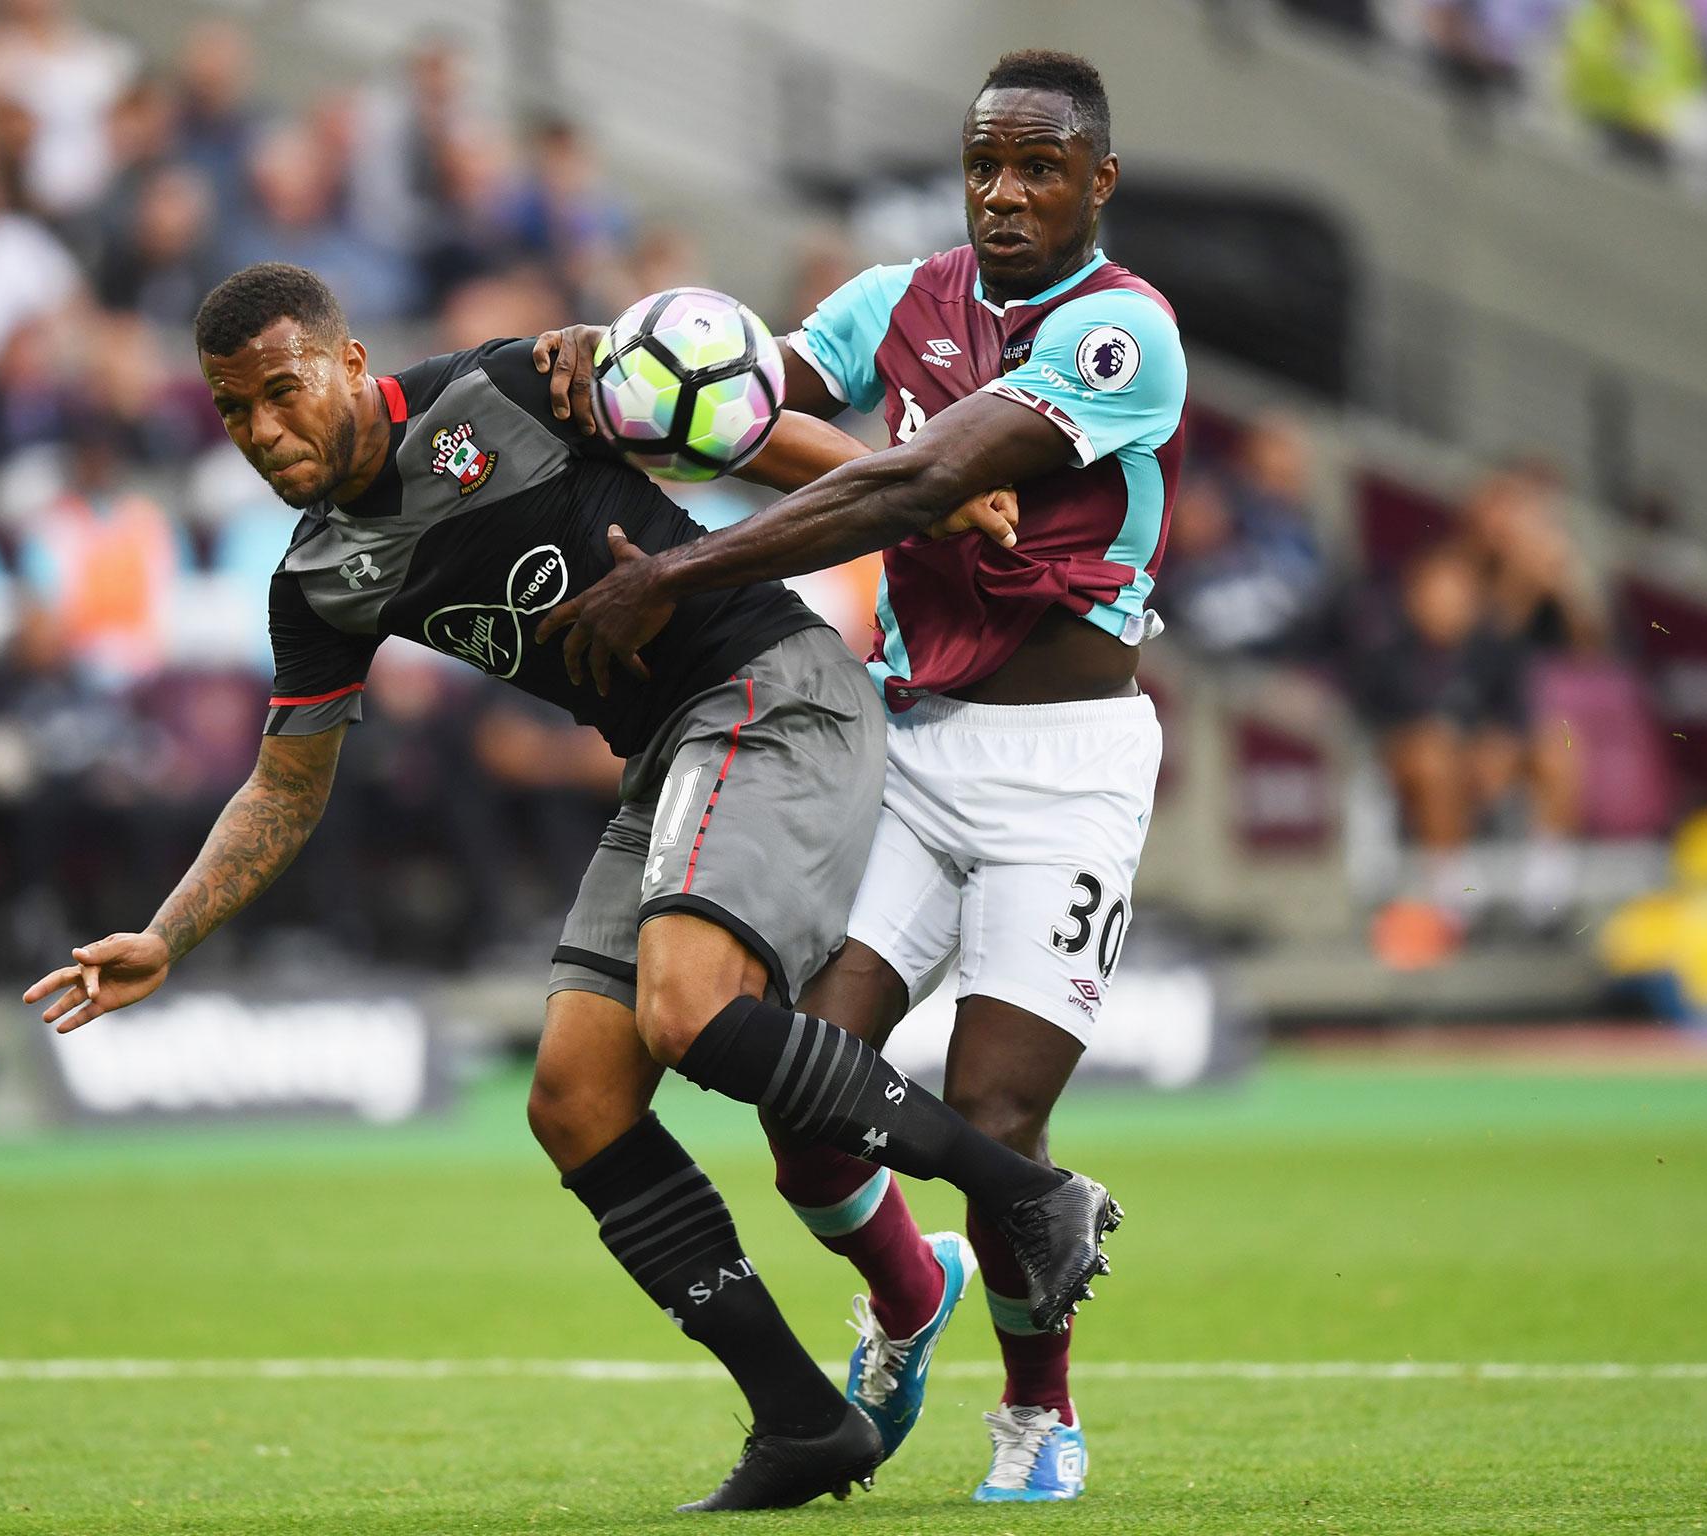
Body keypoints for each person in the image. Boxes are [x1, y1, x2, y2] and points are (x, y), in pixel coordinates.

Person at [22, 261, 1117, 1511]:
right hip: (666, 757)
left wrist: (920, 498)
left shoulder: (504, 385)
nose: (264, 432)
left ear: (344, 358)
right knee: (574, 1099)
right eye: (233, 413)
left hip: (767, 687)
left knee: (687, 1006)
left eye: (281, 392)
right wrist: (169, 933)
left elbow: (724, 418)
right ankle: (802, 1421)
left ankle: (1025, 1197)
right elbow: (285, 787)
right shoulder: (318, 580)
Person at [534, 49, 1179, 1503]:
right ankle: (905, 1300)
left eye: (1038, 168)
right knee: (810, 1096)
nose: (1005, 194)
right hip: (910, 744)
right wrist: (600, 363)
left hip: (1070, 774)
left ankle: (1038, 1413)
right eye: (984, 166)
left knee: (999, 1117)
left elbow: (902, 484)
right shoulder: (898, 299)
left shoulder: (1129, 335)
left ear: (1099, 182)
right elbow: (750, 404)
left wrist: (675, 574)